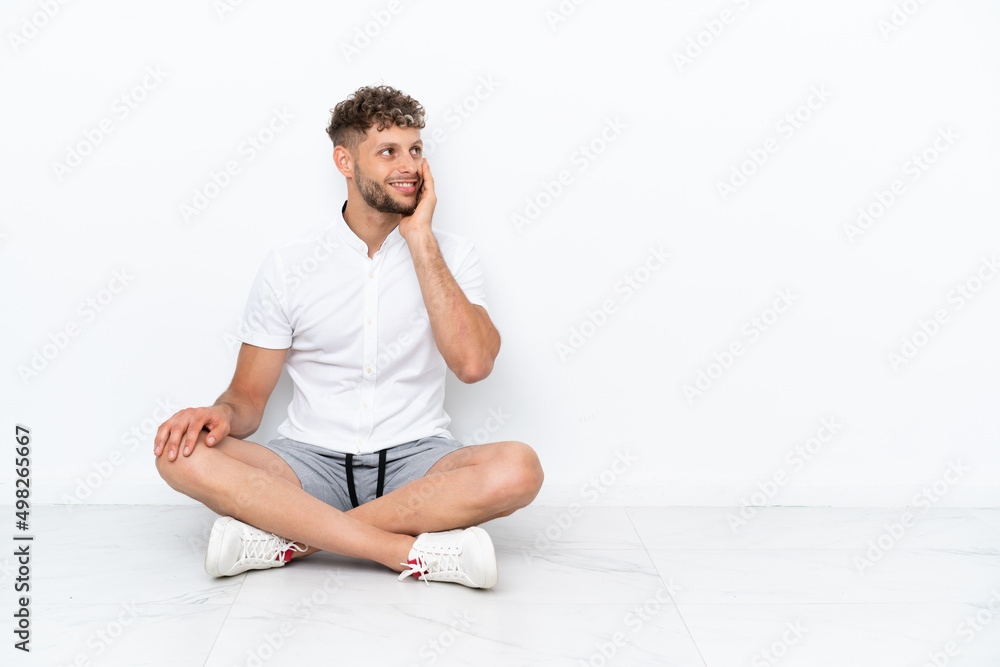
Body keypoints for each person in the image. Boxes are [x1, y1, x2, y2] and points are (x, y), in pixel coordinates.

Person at [153, 84, 543, 589]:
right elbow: (248, 399)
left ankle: (289, 541)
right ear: (344, 161)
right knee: (178, 454)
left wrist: (419, 237)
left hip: (417, 461)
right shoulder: (290, 262)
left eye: (416, 151)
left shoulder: (452, 255)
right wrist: (217, 415)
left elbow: (474, 365)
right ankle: (403, 551)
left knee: (518, 468)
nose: (409, 166)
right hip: (306, 464)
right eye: (388, 152)